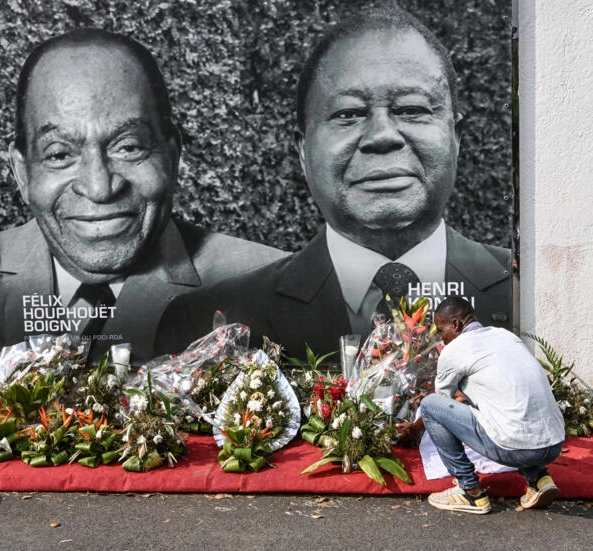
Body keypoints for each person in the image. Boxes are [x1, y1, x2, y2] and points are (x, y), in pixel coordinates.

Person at [155, 8, 511, 359]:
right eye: (348, 114)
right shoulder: (205, 322)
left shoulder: (529, 294)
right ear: (303, 152)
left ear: (456, 137)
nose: (383, 136)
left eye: (411, 109)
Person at [0, 29, 286, 362]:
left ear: (173, 157)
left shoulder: (270, 286)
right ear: (21, 173)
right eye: (60, 154)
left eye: (129, 147)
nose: (99, 188)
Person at [395, 296, 565, 514]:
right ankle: (539, 479)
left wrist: (415, 429)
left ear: (455, 325)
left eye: (440, 330)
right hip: (554, 444)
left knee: (429, 404)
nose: (440, 337)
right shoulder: (506, 336)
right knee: (509, 416)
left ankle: (470, 491)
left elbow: (440, 404)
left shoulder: (455, 349)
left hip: (516, 449)